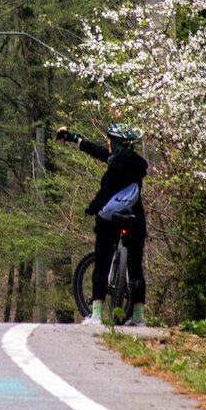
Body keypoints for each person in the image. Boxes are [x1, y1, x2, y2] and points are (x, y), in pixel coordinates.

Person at [56, 123, 147, 326]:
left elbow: (105, 193)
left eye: (109, 142)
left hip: (111, 220)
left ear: (115, 144)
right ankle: (139, 317)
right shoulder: (136, 164)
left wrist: (91, 208)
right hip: (135, 218)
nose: (107, 145)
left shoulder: (115, 168)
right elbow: (99, 152)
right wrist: (76, 139)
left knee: (102, 260)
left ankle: (96, 314)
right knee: (135, 267)